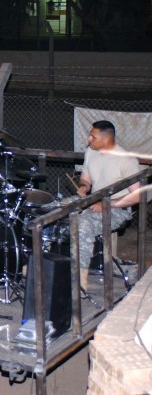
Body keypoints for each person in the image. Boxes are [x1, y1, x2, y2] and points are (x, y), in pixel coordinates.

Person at [76, 120, 140, 290]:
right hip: (94, 202)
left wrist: (106, 204)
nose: (89, 139)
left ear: (106, 140)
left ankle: (79, 281)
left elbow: (137, 196)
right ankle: (40, 265)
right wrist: (84, 186)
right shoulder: (91, 151)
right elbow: (86, 178)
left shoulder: (126, 160)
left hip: (119, 209)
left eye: (93, 136)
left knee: (83, 224)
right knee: (55, 209)